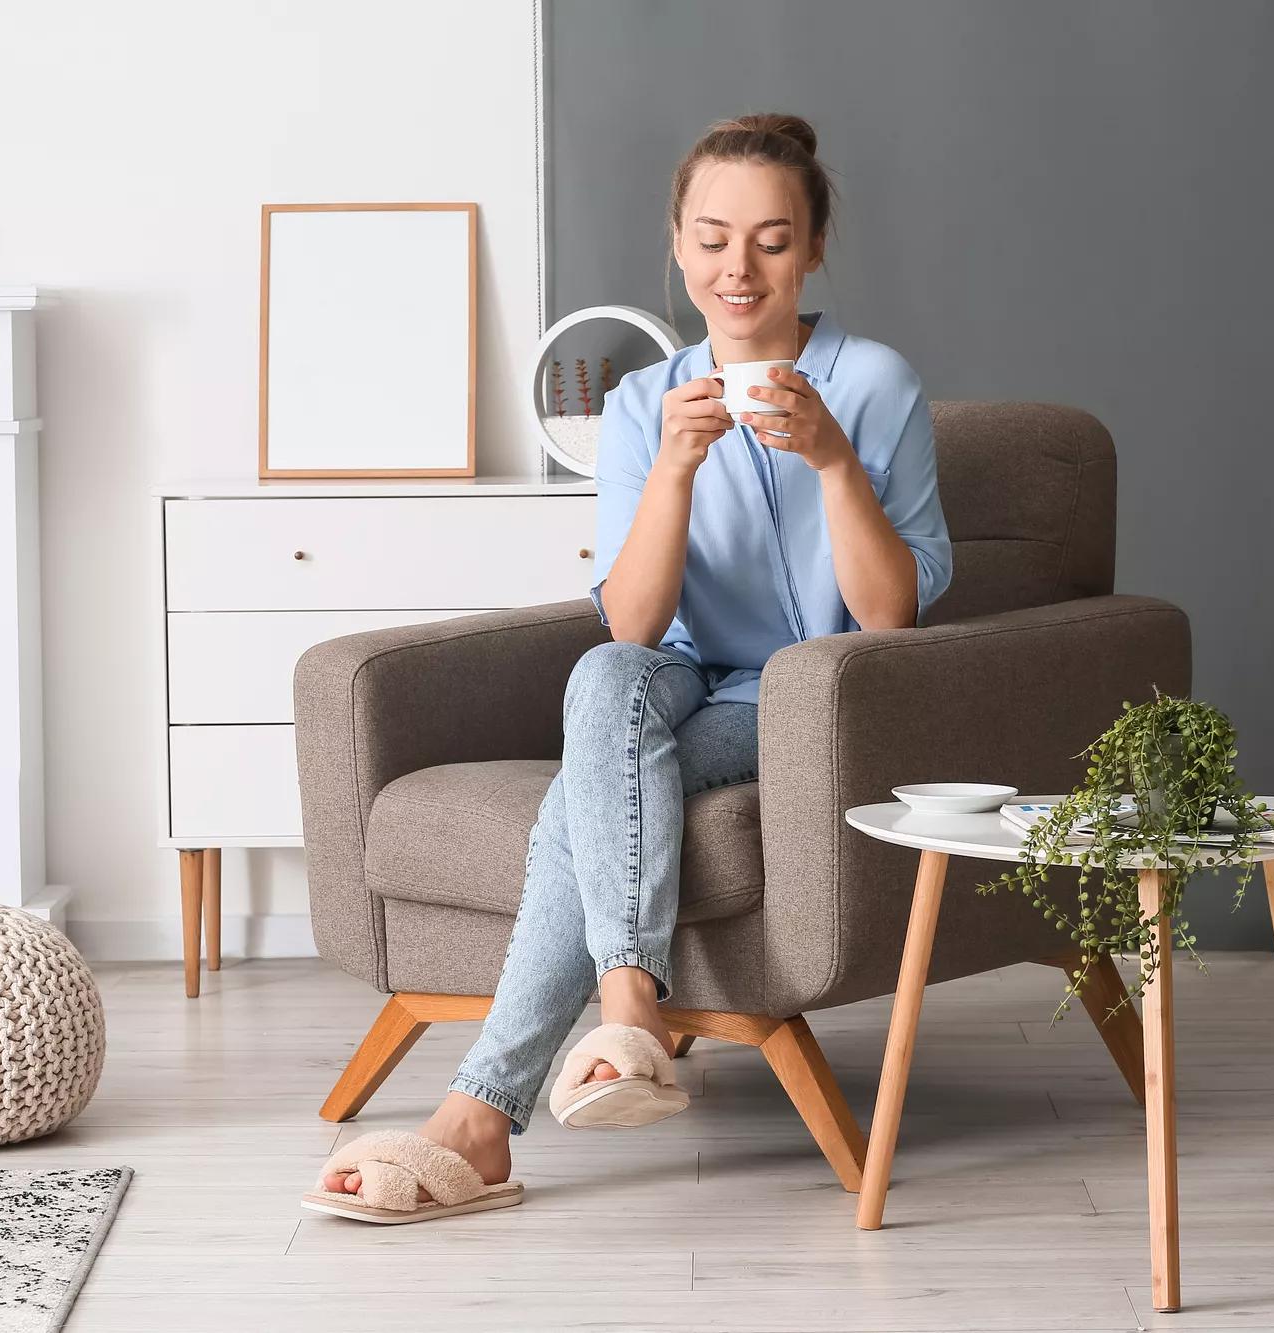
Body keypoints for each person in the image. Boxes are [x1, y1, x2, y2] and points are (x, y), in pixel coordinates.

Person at [303, 111, 953, 1224]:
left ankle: (479, 1117)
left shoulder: (874, 382)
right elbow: (635, 626)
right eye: (709, 239)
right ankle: (629, 1010)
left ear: (811, 251)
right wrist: (672, 468)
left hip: (808, 699)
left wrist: (833, 459)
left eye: (768, 240)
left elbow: (887, 615)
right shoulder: (641, 403)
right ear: (675, 245)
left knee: (578, 800)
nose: (736, 269)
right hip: (684, 681)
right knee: (603, 682)